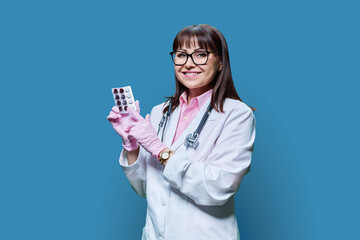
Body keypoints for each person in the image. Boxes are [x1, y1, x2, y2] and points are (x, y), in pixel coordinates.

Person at [107, 24, 256, 240]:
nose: (189, 64)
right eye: (181, 55)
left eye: (201, 55)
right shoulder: (161, 112)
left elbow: (220, 187)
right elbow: (147, 189)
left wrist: (159, 149)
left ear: (221, 62)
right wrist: (132, 145)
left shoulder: (236, 114)